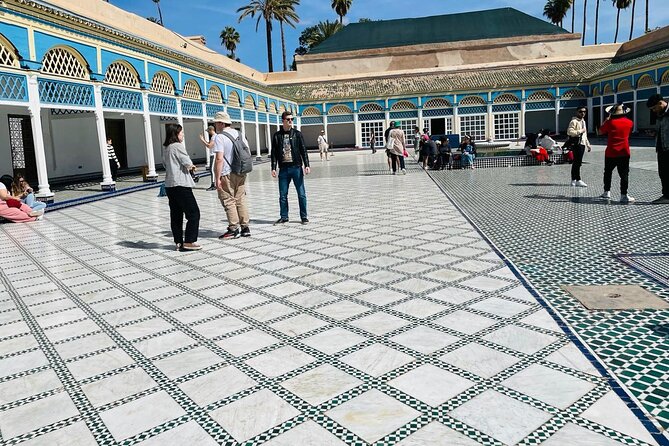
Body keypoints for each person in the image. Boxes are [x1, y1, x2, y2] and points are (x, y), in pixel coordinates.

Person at [162, 123, 201, 251]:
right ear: (175, 134)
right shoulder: (178, 146)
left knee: (176, 214)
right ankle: (189, 240)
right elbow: (187, 162)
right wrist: (193, 167)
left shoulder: (167, 148)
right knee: (193, 213)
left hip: (170, 185)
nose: (183, 135)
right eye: (181, 132)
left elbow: (164, 165)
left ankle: (178, 241)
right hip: (181, 184)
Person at [212, 111, 251, 238]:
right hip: (241, 171)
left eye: (216, 122)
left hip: (226, 173)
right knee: (240, 199)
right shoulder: (240, 134)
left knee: (228, 200)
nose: (215, 125)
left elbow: (219, 159)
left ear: (221, 123)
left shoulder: (220, 137)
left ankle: (233, 228)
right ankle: (245, 227)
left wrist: (217, 178)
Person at [271, 111, 310, 224]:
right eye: (288, 119)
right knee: (283, 195)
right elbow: (274, 153)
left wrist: (307, 165)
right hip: (283, 169)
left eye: (292, 119)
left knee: (301, 194)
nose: (290, 121)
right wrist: (273, 167)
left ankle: (304, 216)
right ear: (283, 120)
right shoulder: (277, 136)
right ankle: (284, 216)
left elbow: (303, 150)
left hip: (296, 168)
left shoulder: (297, 134)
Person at [598, 104, 635, 203]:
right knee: (624, 174)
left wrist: (607, 120)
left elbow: (600, 131)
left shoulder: (610, 123)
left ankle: (607, 192)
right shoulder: (630, 122)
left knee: (608, 172)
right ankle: (624, 195)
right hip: (624, 152)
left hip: (611, 152)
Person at [646, 94, 669, 203]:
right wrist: (654, 133)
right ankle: (666, 195)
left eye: (654, 108)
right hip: (661, 147)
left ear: (660, 103)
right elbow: (661, 130)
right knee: (663, 172)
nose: (654, 111)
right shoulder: (660, 114)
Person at [566, 107, 591, 187]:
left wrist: (588, 144)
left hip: (582, 144)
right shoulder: (574, 121)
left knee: (578, 162)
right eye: (581, 111)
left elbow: (585, 135)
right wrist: (580, 131)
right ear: (577, 112)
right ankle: (576, 179)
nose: (583, 113)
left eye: (584, 112)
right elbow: (569, 132)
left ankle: (576, 179)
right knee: (577, 162)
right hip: (577, 144)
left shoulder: (583, 121)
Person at [198, 125, 217, 191]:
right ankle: (214, 183)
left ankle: (213, 184)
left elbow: (209, 146)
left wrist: (202, 139)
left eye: (208, 131)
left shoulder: (214, 137)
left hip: (214, 155)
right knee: (213, 170)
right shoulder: (214, 137)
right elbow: (209, 144)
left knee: (212, 170)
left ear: (211, 130)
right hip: (213, 155)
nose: (208, 132)